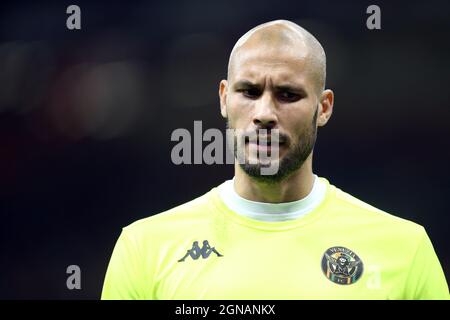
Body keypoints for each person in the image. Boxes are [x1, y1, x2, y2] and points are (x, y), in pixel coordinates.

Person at [101, 20, 449, 299]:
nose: (264, 112)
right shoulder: (144, 249)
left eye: (288, 94)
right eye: (249, 92)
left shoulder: (404, 249)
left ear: (323, 107)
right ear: (224, 98)